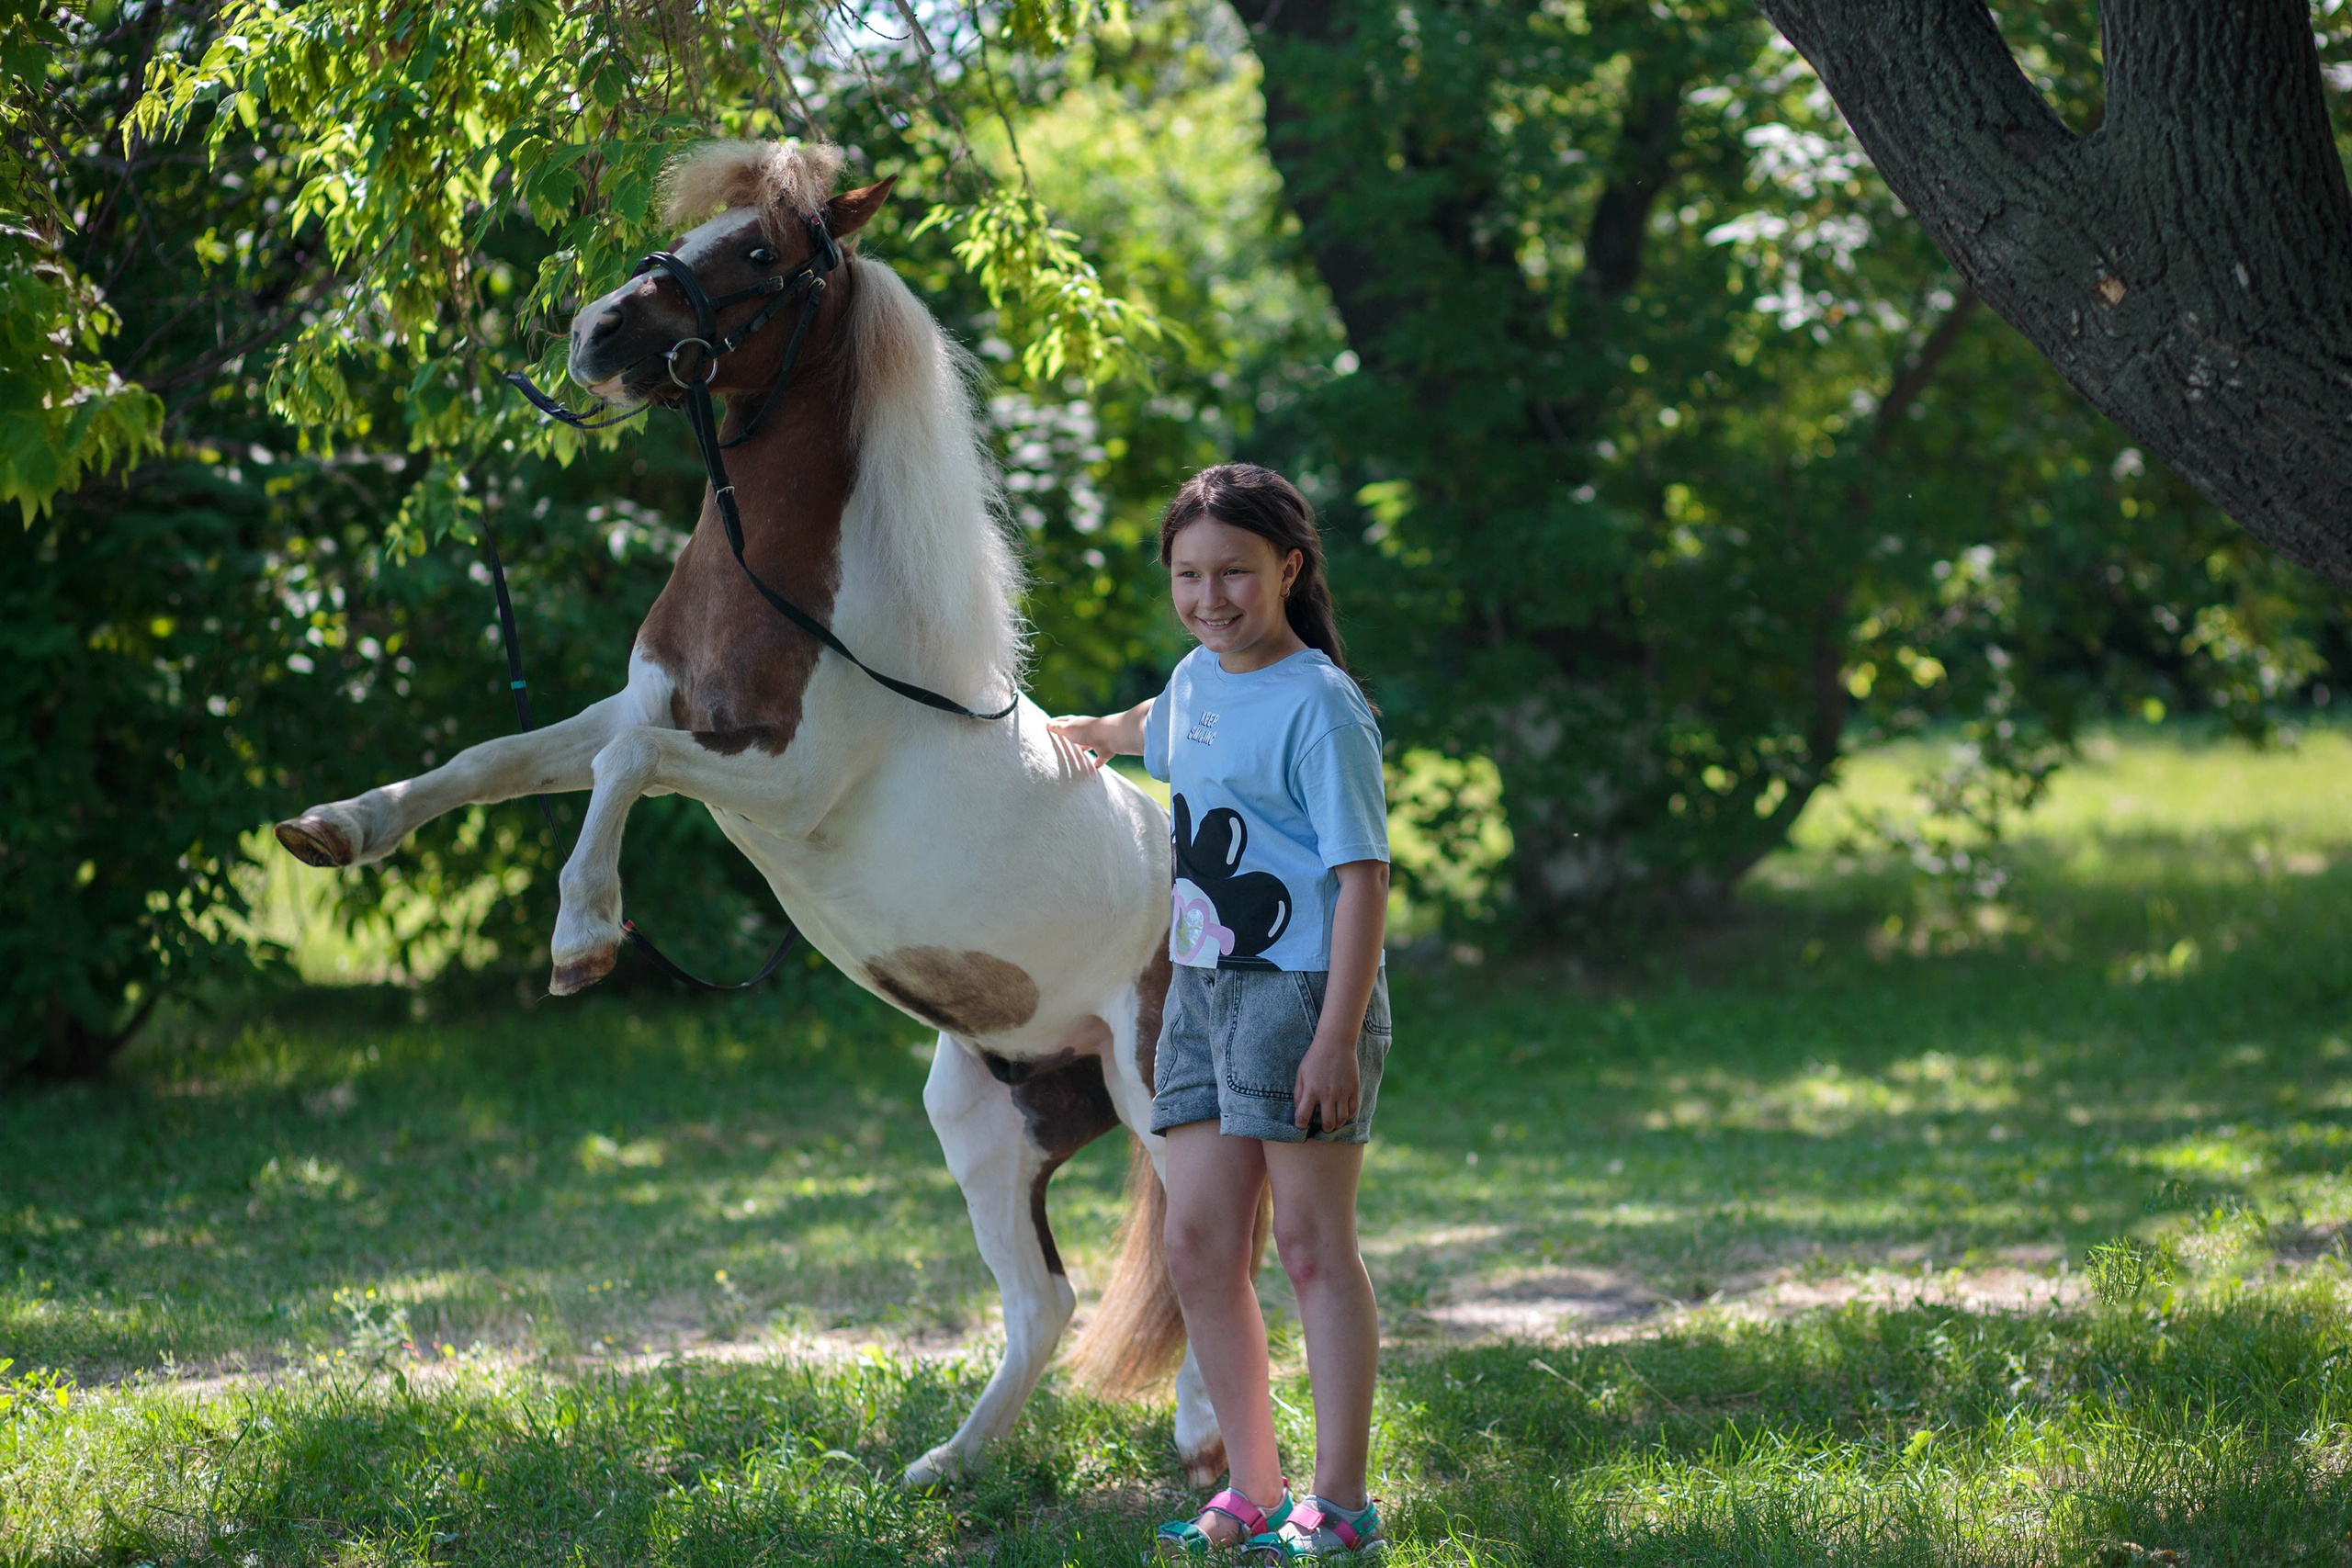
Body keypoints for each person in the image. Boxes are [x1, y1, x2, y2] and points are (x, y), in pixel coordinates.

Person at [1049, 464, 1393, 1562]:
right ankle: (1251, 1489)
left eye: (1234, 573)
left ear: (1287, 569)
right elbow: (1163, 724)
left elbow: (1363, 880)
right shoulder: (1196, 680)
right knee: (1198, 1244)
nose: (1209, 598)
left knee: (1308, 1246)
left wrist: (1334, 1038)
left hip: (1301, 995)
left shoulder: (1321, 705)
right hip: (1197, 994)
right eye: (1188, 576)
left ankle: (1339, 1505)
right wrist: (1091, 732)